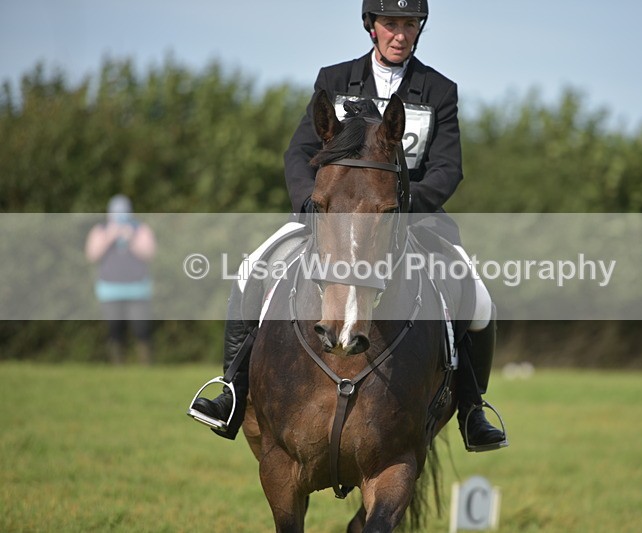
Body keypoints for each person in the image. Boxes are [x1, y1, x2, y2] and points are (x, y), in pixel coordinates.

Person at [189, 0, 507, 452]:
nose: (400, 34)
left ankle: (473, 410)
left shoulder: (439, 89)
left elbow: (447, 168)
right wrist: (309, 205)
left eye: (409, 25)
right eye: (391, 24)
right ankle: (232, 390)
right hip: (332, 216)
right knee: (251, 270)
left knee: (478, 297)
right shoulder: (335, 81)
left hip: (408, 216)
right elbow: (298, 153)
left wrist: (403, 207)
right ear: (371, 27)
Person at [85, 194, 157, 365]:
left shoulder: (140, 229)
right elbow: (92, 255)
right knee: (115, 331)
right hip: (110, 291)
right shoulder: (101, 229)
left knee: (142, 329)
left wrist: (131, 238)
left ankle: (146, 364)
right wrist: (110, 236)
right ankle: (118, 365)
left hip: (138, 290)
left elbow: (149, 253)